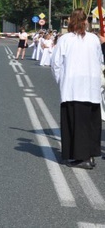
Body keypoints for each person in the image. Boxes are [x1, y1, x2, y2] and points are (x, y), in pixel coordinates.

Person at [51, 9, 103, 169]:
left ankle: (82, 157)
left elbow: (56, 64)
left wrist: (62, 81)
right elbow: (100, 60)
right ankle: (90, 154)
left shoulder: (65, 39)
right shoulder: (94, 39)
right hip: (92, 88)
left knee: (77, 124)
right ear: (85, 22)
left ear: (71, 22)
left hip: (73, 88)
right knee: (90, 123)